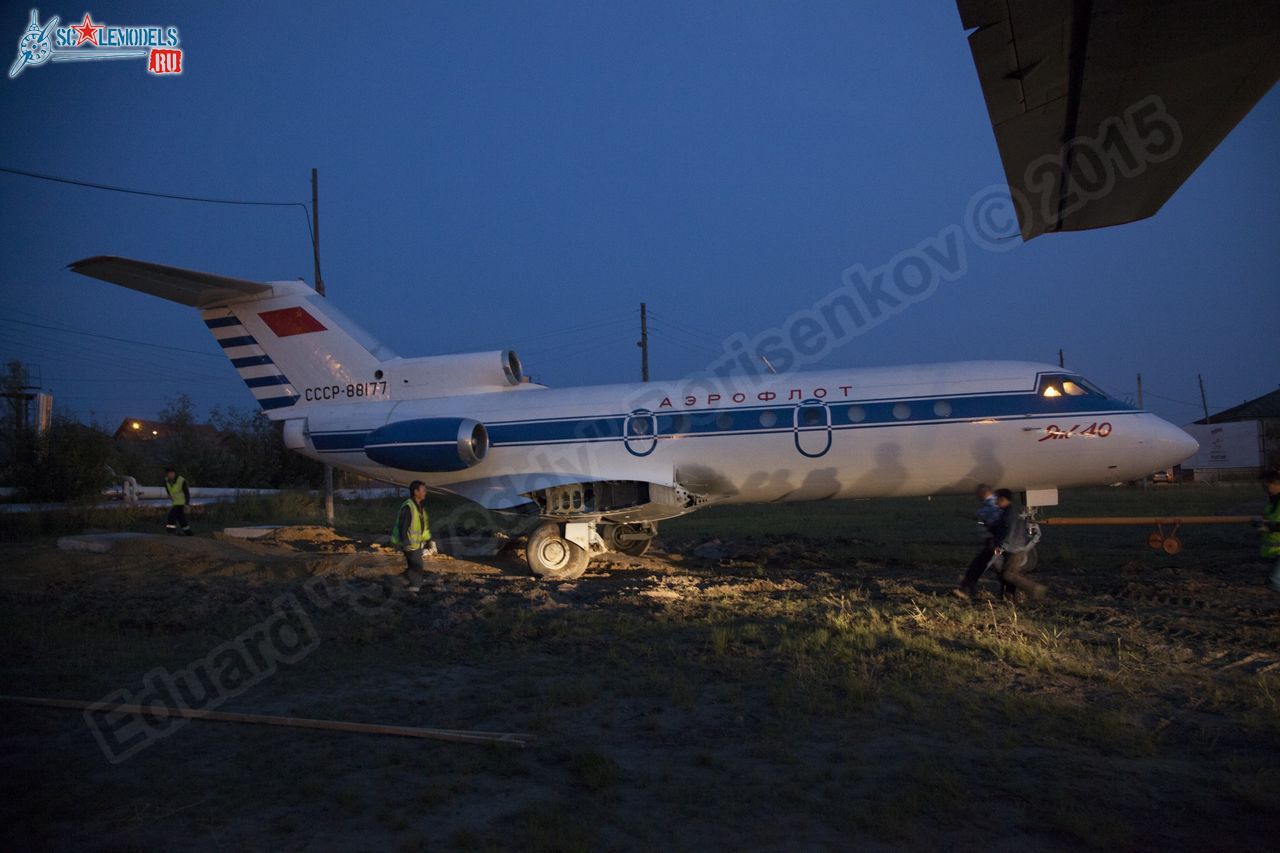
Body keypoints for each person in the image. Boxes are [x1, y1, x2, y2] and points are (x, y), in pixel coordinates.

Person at [989, 488, 1045, 602]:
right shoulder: (1009, 513)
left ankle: (1034, 588)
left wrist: (1001, 547)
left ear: (1003, 499)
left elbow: (1010, 533)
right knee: (1005, 574)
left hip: (1014, 550)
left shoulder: (1010, 514)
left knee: (1009, 574)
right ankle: (1009, 598)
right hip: (1012, 549)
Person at [954, 484, 1002, 599]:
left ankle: (966, 590)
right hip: (993, 541)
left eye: (978, 494)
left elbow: (988, 518)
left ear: (983, 494)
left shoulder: (990, 504)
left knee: (978, 566)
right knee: (990, 567)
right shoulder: (993, 503)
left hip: (992, 542)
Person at [391, 480, 432, 593]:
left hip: (415, 543)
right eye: (423, 490)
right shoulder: (409, 506)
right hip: (409, 544)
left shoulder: (419, 507)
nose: (425, 493)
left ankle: (399, 583)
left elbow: (422, 526)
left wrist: (428, 540)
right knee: (417, 567)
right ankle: (413, 589)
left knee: (413, 567)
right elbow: (403, 526)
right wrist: (406, 542)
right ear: (416, 491)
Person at [1258, 469, 1280, 596]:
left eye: (1266, 485)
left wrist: (1269, 527)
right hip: (1276, 551)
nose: (1264, 488)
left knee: (1275, 581)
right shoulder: (1272, 502)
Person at [163, 466, 193, 536]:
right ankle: (189, 533)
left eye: (171, 473)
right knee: (181, 519)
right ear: (167, 474)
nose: (170, 475)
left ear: (174, 473)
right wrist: (169, 495)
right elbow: (168, 489)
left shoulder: (181, 480)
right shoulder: (166, 481)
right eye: (168, 473)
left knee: (171, 516)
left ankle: (171, 532)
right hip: (175, 502)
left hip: (181, 503)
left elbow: (186, 492)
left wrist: (187, 504)